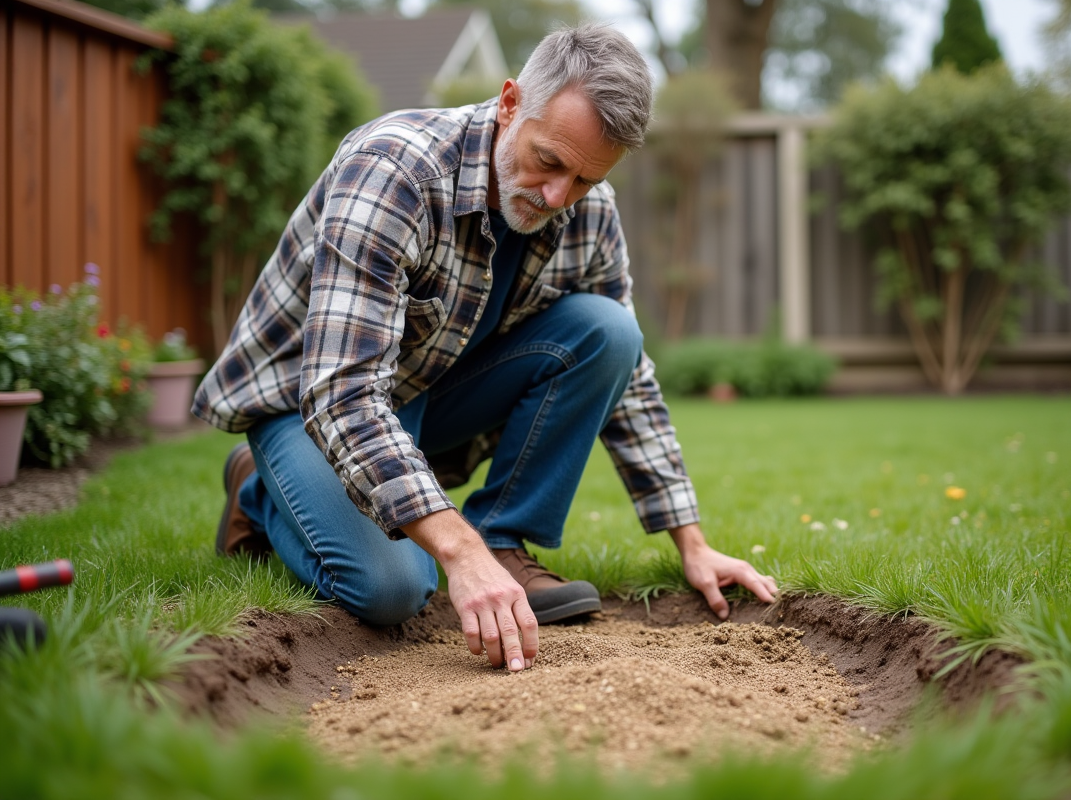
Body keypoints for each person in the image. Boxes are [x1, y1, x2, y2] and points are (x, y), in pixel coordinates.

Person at [193, 23, 778, 674]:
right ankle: (259, 487)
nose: (559, 198)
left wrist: (691, 543)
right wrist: (453, 551)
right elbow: (343, 393)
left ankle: (500, 539)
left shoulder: (589, 210)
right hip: (310, 404)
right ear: (508, 105)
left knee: (609, 329)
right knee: (393, 589)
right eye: (550, 161)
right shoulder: (393, 171)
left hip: (430, 392)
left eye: (585, 180)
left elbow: (628, 376)